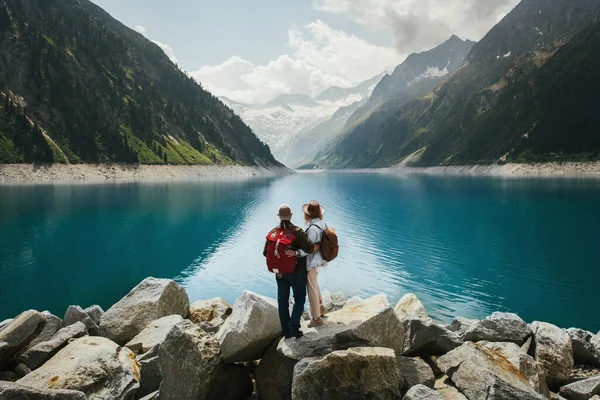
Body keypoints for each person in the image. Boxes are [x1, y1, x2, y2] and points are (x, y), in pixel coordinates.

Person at [264, 204, 317, 338]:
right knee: (299, 299)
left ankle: (285, 330)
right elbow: (310, 248)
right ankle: (294, 327)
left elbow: (265, 253)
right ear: (291, 215)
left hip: (280, 273)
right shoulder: (297, 231)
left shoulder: (273, 232)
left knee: (283, 301)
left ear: (278, 216)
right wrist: (296, 253)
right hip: (297, 272)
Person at [298, 200, 328, 327]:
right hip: (320, 260)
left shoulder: (313, 229)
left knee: (311, 289)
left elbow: (308, 249)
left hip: (313, 262)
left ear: (308, 215)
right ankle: (320, 308)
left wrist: (296, 253)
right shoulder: (322, 224)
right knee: (314, 284)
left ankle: (316, 318)